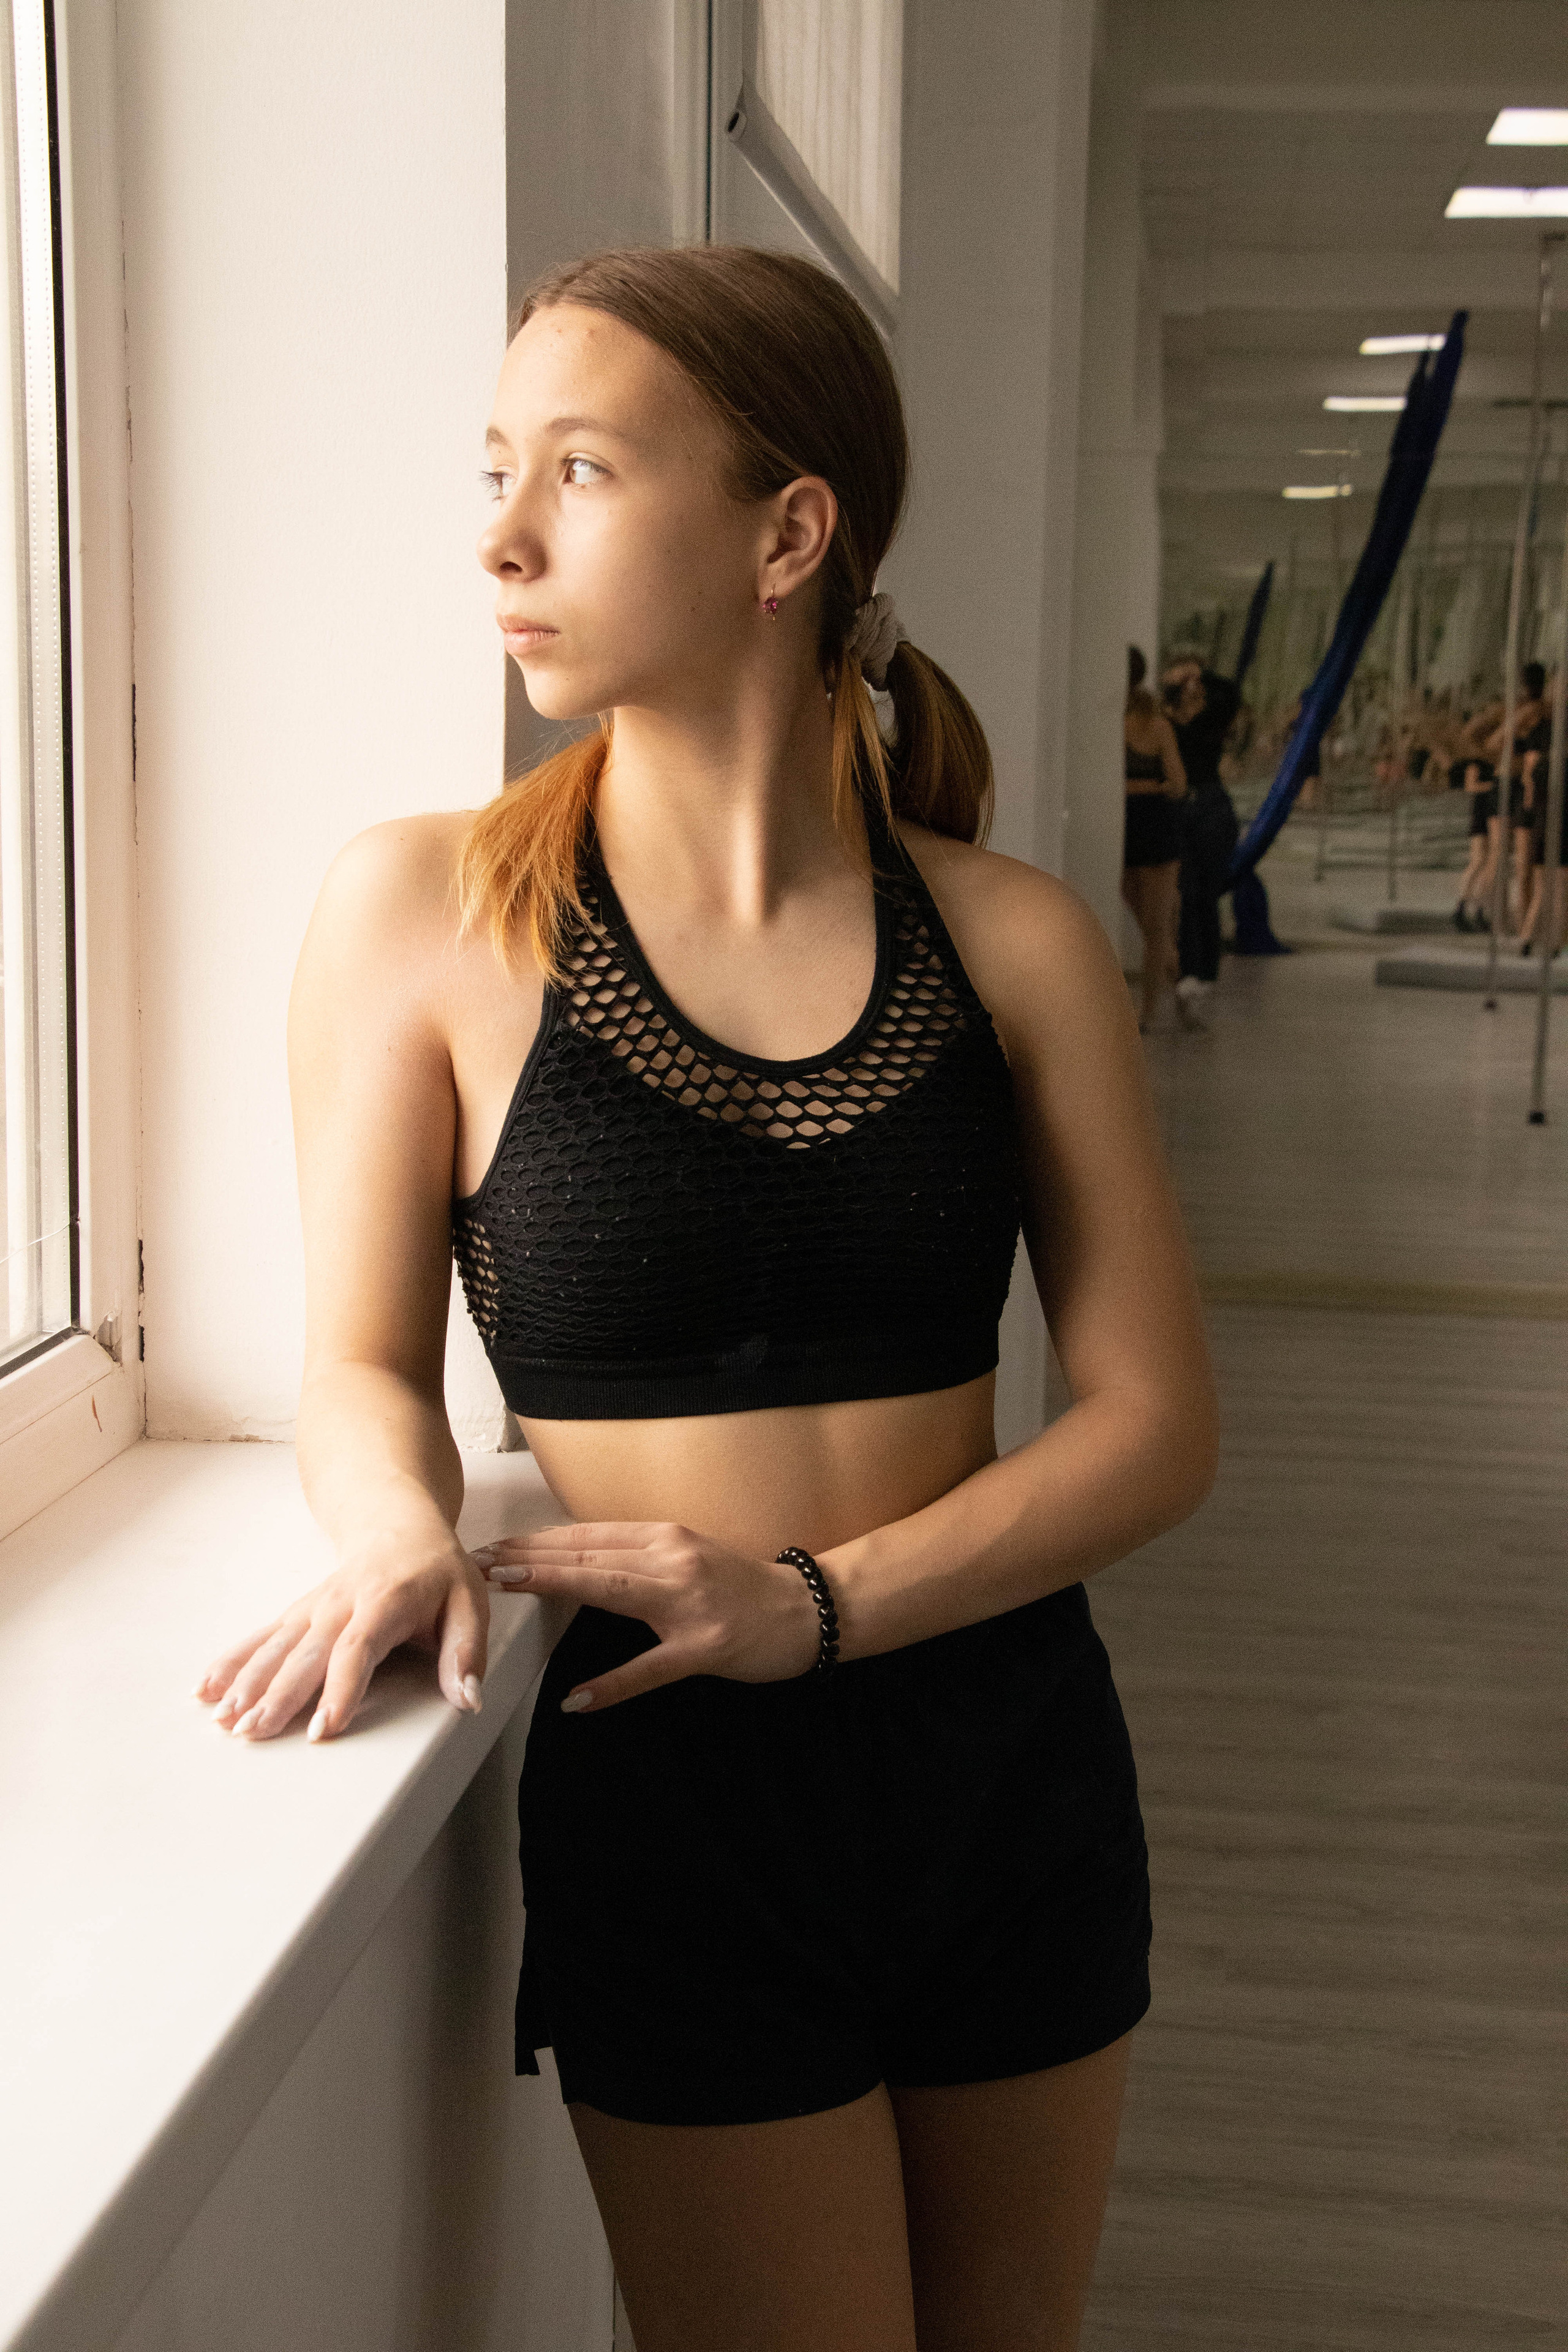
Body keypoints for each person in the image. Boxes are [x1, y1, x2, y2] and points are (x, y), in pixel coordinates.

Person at [194, 246, 1218, 2352]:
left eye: (577, 470)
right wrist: (400, 1532)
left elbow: (1152, 1422)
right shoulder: (421, 914)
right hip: (677, 1785)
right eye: (496, 468)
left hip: (1007, 1752)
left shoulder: (1013, 942)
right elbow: (364, 1364)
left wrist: (822, 1606)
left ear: (786, 531)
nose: (501, 533)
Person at [1163, 651, 1242, 1023]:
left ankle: (1206, 969)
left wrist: (1202, 672)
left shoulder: (1211, 721)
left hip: (1211, 806)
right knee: (1187, 890)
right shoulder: (1167, 724)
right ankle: (1190, 967)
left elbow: (1231, 694)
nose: (1196, 693)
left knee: (1207, 891)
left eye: (1199, 689)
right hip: (1182, 808)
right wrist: (1175, 679)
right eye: (1189, 689)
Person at [1121, 645, 1186, 1030]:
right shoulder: (1117, 720)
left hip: (1154, 826)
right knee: (1150, 924)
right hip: (1129, 826)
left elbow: (1178, 784)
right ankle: (1175, 976)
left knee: (1155, 924)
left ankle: (1148, 1012)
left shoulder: (1154, 722)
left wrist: (1137, 786)